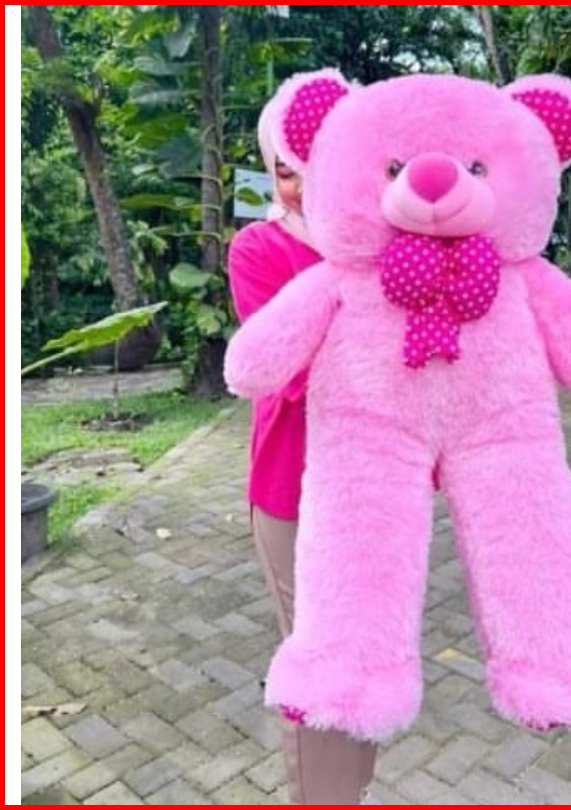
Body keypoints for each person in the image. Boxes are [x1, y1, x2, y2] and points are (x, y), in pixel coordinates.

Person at [226, 98, 377, 806]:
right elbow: (287, 371)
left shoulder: (383, 248)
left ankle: (350, 790)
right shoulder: (260, 250)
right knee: (320, 650)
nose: (301, 184)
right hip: (292, 486)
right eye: (285, 170)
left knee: (368, 645)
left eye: (321, 162)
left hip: (374, 488)